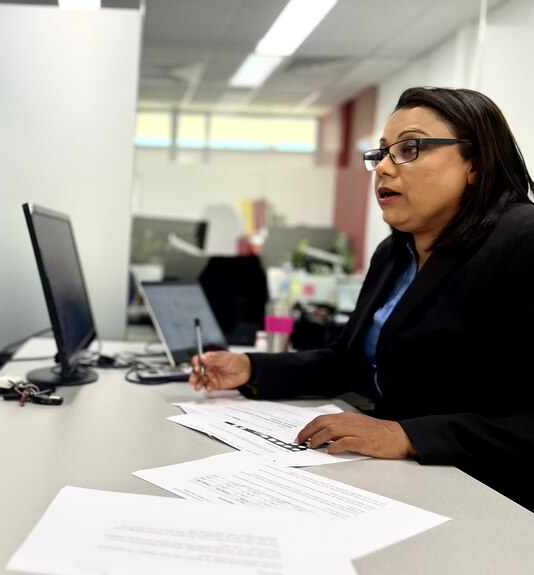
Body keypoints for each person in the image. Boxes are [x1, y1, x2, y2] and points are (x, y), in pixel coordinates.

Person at [190, 86, 534, 512]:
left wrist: (404, 436)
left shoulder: (523, 242)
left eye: (410, 148)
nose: (384, 168)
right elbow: (347, 362)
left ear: (475, 165)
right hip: (399, 479)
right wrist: (250, 367)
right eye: (382, 153)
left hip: (487, 495)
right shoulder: (394, 253)